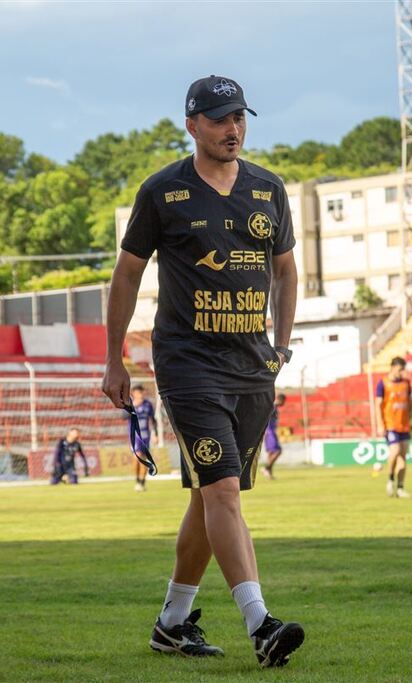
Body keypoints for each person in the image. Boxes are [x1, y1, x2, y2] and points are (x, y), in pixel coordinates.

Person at [101, 75, 304, 668]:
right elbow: (127, 275)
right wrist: (114, 358)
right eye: (218, 119)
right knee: (220, 490)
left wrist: (281, 348)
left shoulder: (269, 188)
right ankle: (261, 623)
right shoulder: (162, 191)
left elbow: (287, 272)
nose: (232, 129)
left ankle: (171, 623)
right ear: (192, 125)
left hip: (252, 369)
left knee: (210, 497)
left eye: (239, 117)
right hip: (188, 364)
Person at [375, 357, 412, 498]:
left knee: (403, 456)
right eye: (400, 369)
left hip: (404, 425)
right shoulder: (383, 384)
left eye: (403, 369)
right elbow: (378, 405)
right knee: (395, 450)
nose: (402, 372)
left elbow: (411, 404)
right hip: (390, 425)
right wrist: (380, 424)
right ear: (393, 367)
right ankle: (390, 479)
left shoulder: (405, 384)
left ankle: (400, 487)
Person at [131, 384, 159, 491]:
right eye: (138, 392)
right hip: (134, 436)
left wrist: (155, 434)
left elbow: (153, 420)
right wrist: (133, 407)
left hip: (145, 436)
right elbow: (123, 416)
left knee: (143, 459)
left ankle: (141, 482)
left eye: (142, 392)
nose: (141, 394)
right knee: (136, 457)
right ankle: (137, 480)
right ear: (133, 394)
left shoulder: (148, 404)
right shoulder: (130, 404)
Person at [260, 393, 286, 480]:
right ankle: (266, 468)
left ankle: (269, 472)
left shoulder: (274, 407)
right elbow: (264, 418)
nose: (284, 404)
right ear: (281, 400)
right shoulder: (272, 407)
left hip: (269, 432)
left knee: (271, 452)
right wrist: (266, 430)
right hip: (270, 432)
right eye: (284, 401)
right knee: (278, 451)